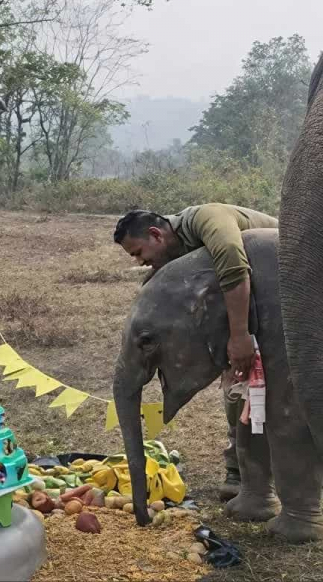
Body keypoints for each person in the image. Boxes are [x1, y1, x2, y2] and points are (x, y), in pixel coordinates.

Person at [113, 203, 278, 501]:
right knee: (238, 392)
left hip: (283, 290)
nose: (139, 262)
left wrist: (239, 336)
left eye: (138, 252)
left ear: (156, 235)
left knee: (258, 392)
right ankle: (243, 474)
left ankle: (253, 477)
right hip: (250, 308)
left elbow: (234, 266)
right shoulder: (172, 256)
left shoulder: (207, 220)